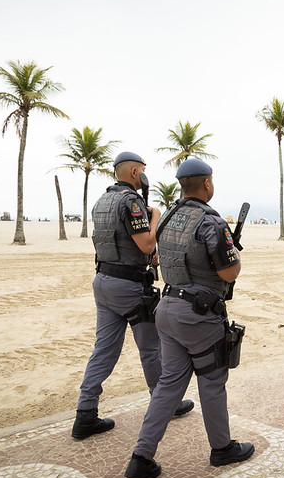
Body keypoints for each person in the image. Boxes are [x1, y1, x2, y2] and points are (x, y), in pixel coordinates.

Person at [125, 158, 254, 478]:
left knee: (169, 384)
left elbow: (156, 255)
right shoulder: (211, 222)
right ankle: (222, 448)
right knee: (211, 382)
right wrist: (234, 256)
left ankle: (141, 457)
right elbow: (228, 271)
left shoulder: (167, 217)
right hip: (198, 316)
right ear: (207, 183)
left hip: (167, 309)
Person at [71, 151, 194, 440]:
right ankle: (166, 403)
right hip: (128, 287)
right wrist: (156, 217)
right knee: (151, 348)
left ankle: (85, 414)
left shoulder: (102, 201)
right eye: (143, 172)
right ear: (136, 173)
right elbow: (146, 243)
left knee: (103, 350)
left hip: (103, 281)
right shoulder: (131, 202)